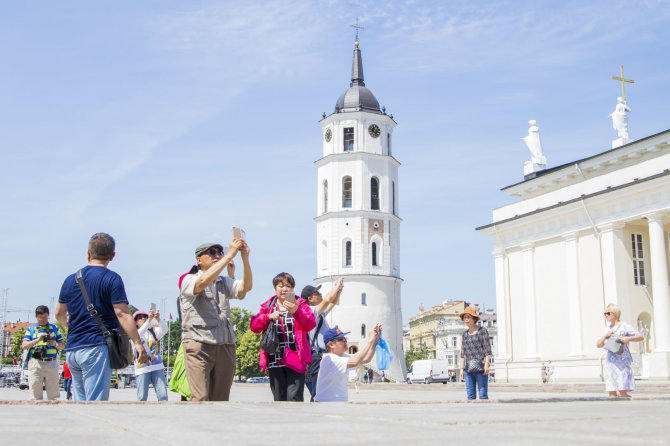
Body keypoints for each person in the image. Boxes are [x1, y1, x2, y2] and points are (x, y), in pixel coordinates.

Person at [55, 233, 148, 401]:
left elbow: (59, 313)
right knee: (95, 405)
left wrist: (69, 327)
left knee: (79, 402)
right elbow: (122, 313)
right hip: (95, 348)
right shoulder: (111, 278)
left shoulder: (70, 280)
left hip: (72, 349)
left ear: (88, 253)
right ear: (112, 256)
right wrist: (137, 342)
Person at [179, 238, 252, 401]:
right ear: (199, 259)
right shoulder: (188, 279)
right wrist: (228, 257)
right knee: (201, 397)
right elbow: (201, 283)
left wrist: (245, 259)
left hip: (224, 344)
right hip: (199, 343)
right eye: (211, 253)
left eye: (219, 252)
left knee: (221, 399)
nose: (217, 255)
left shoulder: (223, 281)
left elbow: (245, 288)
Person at [250, 272, 315, 401]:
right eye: (281, 286)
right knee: (279, 398)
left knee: (294, 397)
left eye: (288, 286)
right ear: (275, 289)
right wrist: (268, 317)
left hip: (296, 357)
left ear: (293, 288)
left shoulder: (301, 305)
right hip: (275, 359)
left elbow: (310, 324)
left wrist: (296, 312)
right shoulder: (267, 307)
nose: (285, 289)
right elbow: (254, 327)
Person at [314, 324, 382, 402]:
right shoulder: (329, 359)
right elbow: (355, 361)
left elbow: (366, 359)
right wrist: (370, 341)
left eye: (345, 338)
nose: (345, 341)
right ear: (331, 344)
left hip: (338, 402)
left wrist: (374, 341)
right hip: (326, 403)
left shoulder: (343, 356)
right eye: (341, 339)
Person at [302, 277, 344, 401]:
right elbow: (327, 299)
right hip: (317, 355)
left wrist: (339, 290)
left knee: (324, 388)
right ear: (310, 299)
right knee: (317, 390)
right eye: (317, 293)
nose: (320, 294)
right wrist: (336, 287)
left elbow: (332, 303)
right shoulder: (310, 312)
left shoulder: (318, 312)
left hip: (322, 355)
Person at [597, 303, 643, 398]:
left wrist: (628, 339)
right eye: (605, 313)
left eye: (608, 313)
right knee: (612, 393)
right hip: (610, 360)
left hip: (621, 359)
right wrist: (605, 336)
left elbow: (640, 336)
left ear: (615, 314)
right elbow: (598, 345)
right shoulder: (607, 328)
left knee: (621, 392)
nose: (606, 315)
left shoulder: (624, 326)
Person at [21, 305, 65, 400]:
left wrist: (55, 344)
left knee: (53, 395)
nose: (43, 320)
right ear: (36, 317)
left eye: (45, 317)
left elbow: (62, 345)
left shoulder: (54, 328)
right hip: (36, 362)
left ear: (48, 315)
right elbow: (24, 346)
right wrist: (38, 339)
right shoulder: (31, 329)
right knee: (35, 395)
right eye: (41, 318)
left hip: (52, 362)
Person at [133, 308, 169, 401]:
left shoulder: (152, 332)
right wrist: (149, 320)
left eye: (145, 316)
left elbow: (165, 329)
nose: (143, 318)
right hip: (142, 368)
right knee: (142, 397)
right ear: (135, 322)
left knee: (163, 396)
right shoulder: (134, 334)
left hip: (157, 366)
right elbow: (139, 333)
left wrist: (158, 320)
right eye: (140, 317)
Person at [459, 306, 491, 400]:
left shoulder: (482, 331)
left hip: (480, 368)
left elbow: (487, 350)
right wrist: (461, 369)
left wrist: (486, 365)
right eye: (465, 317)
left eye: (469, 317)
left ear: (474, 318)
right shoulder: (464, 334)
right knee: (470, 396)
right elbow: (462, 353)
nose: (466, 319)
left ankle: (484, 413)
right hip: (468, 369)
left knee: (483, 395)